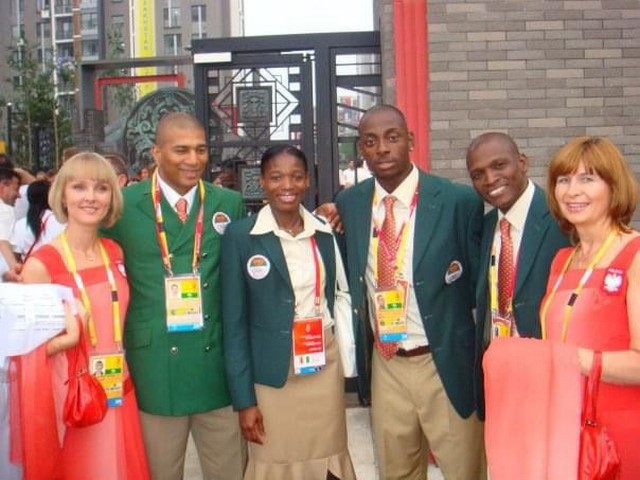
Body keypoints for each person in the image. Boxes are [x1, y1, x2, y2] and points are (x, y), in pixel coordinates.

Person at [335, 105, 485, 480]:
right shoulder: (350, 204)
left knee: (463, 469)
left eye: (392, 138)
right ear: (361, 151)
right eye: (370, 142)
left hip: (443, 360)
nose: (382, 149)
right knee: (396, 471)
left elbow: (478, 284)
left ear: (410, 142)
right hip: (387, 363)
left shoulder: (458, 202)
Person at [102, 112, 247, 480]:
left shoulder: (228, 203)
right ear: (156, 152)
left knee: (230, 470)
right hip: (154, 366)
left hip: (215, 362)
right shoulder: (123, 206)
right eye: (181, 150)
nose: (194, 159)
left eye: (200, 149)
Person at [221, 145, 356, 480]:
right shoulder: (241, 236)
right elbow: (234, 324)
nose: (287, 185)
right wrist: (244, 401)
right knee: (273, 460)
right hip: (271, 376)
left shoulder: (324, 232)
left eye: (296, 177)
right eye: (276, 177)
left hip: (321, 363)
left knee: (328, 456)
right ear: (262, 182)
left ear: (307, 181)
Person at [12, 152, 149, 479]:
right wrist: (68, 341)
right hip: (72, 397)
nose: (90, 197)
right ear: (62, 195)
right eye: (79, 187)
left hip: (117, 387)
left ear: (112, 196)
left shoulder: (114, 251)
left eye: (101, 188)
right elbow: (23, 357)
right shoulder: (41, 265)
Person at [540, 136, 640, 478]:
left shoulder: (636, 256)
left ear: (614, 187)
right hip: (567, 427)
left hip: (621, 432)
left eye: (588, 178)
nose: (572, 191)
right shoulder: (562, 261)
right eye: (563, 180)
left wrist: (571, 359)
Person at [465, 132, 568, 418]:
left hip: (549, 380)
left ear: (522, 162)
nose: (490, 179)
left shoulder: (562, 219)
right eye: (478, 174)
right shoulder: (487, 227)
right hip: (499, 375)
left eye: (499, 165)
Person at [11, 180, 66, 261]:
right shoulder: (60, 220)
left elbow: (16, 253)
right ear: (50, 197)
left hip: (28, 268)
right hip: (54, 268)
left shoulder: (19, 224)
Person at [0, 167, 21, 269]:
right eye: (16, 189)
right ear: (3, 186)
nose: (19, 195)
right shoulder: (5, 210)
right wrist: (16, 271)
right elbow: (3, 241)